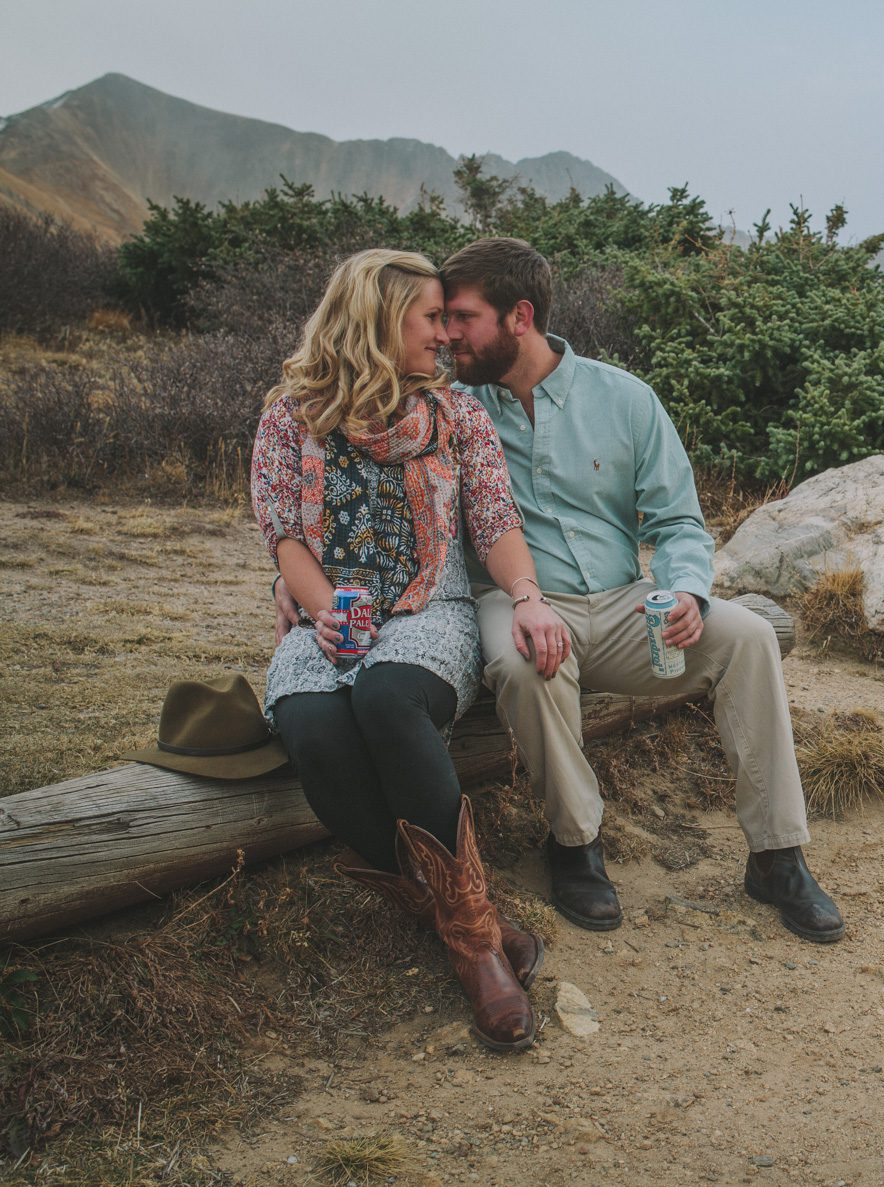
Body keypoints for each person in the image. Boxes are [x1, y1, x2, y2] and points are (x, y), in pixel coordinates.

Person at [429, 236, 843, 942]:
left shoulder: (624, 398)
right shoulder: (449, 411)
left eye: (463, 317)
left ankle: (777, 854)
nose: (447, 334)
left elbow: (680, 520)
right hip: (514, 600)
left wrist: (687, 590)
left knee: (747, 636)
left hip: (625, 606)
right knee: (526, 662)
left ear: (519, 316)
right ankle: (575, 844)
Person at [254, 248, 572, 1052]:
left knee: (388, 699)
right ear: (378, 319)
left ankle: (473, 954)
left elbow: (495, 523)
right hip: (330, 613)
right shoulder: (291, 414)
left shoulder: (457, 413)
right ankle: (475, 922)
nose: (445, 336)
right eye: (431, 318)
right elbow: (287, 536)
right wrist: (324, 613)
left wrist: (528, 597)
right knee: (315, 729)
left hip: (430, 607)